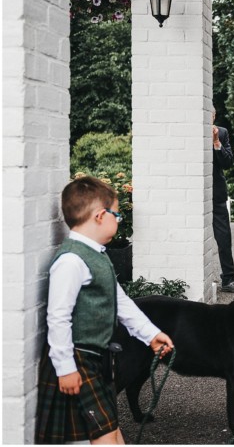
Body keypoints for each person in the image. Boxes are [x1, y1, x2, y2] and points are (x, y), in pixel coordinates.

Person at [35, 176, 174, 444]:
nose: (118, 220)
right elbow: (58, 317)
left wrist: (151, 335)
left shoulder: (97, 256)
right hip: (78, 361)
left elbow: (120, 302)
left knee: (111, 434)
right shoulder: (71, 261)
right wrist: (65, 368)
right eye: (117, 215)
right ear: (101, 215)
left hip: (98, 360)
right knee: (105, 438)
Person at [212, 110, 234, 293]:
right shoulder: (189, 132)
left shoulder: (222, 133)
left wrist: (216, 142)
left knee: (224, 238)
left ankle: (228, 280)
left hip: (216, 194)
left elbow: (227, 163)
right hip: (193, 197)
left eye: (210, 116)